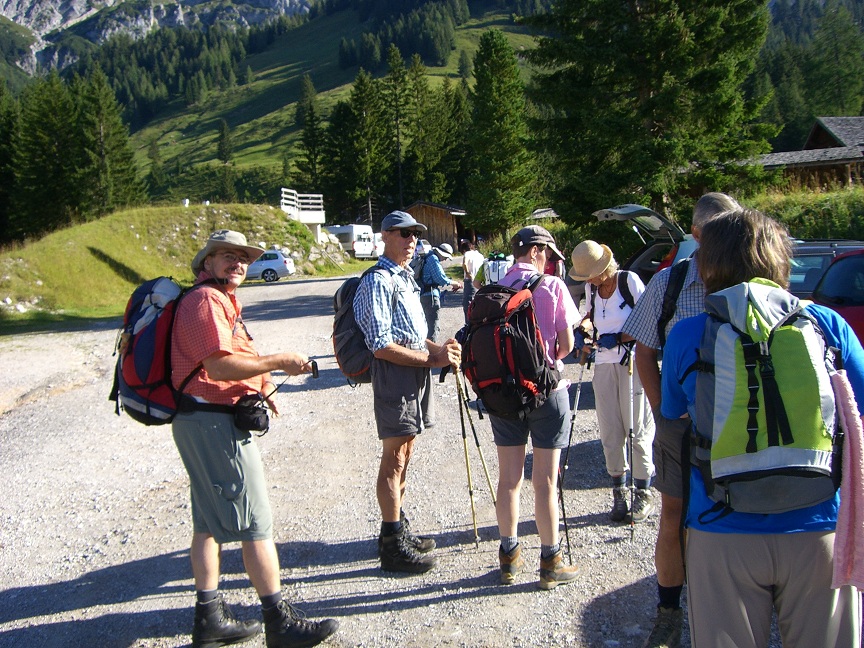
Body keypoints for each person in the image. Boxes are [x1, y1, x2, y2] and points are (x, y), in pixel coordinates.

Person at [661, 208, 862, 648]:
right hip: (819, 525)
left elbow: (673, 412)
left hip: (720, 527)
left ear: (709, 266)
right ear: (780, 261)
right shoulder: (828, 327)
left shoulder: (686, 335)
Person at [170, 230, 339, 648]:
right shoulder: (207, 301)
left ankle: (208, 619)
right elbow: (221, 366)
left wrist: (263, 379)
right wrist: (279, 362)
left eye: (243, 258)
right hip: (214, 424)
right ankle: (279, 624)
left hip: (200, 419)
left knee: (208, 523)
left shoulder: (215, 300)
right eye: (227, 256)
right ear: (205, 263)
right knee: (255, 524)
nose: (238, 263)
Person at [620, 192, 740, 648]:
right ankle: (669, 611)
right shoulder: (671, 283)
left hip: (739, 424)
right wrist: (661, 410)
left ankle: (726, 609)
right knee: (673, 515)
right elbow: (644, 351)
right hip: (682, 426)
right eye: (716, 233)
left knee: (732, 512)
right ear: (696, 235)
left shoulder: (750, 284)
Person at [354, 211, 462, 574]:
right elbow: (380, 345)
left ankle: (397, 525)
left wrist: (436, 350)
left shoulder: (405, 277)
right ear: (385, 235)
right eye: (403, 233)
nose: (411, 239)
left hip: (412, 372)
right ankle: (391, 544)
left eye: (415, 233)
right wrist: (431, 361)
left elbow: (414, 337)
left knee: (407, 449)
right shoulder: (378, 280)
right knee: (395, 456)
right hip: (395, 375)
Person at [490, 225, 581, 589]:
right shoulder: (552, 286)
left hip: (505, 396)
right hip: (547, 393)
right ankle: (550, 562)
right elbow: (566, 347)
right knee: (544, 481)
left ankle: (509, 558)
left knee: (509, 479)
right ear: (539, 251)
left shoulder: (492, 289)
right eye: (549, 254)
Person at [570, 241, 655, 523]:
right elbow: (592, 318)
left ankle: (642, 493)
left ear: (604, 267)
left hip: (633, 363)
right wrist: (582, 331)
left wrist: (619, 338)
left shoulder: (629, 282)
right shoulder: (593, 289)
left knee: (637, 427)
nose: (589, 280)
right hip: (604, 365)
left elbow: (649, 322)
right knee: (610, 431)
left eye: (591, 274)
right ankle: (619, 493)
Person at [418, 242, 462, 342]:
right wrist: (455, 283)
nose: (446, 259)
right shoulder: (433, 259)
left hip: (423, 294)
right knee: (433, 327)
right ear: (442, 253)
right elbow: (440, 278)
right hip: (431, 297)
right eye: (446, 257)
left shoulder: (426, 257)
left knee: (425, 325)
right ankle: (432, 353)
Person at [460, 240, 484, 321]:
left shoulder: (467, 254)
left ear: (464, 250)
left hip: (470, 280)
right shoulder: (480, 255)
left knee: (467, 304)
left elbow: (464, 263)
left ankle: (468, 325)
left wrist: (467, 273)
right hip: (480, 281)